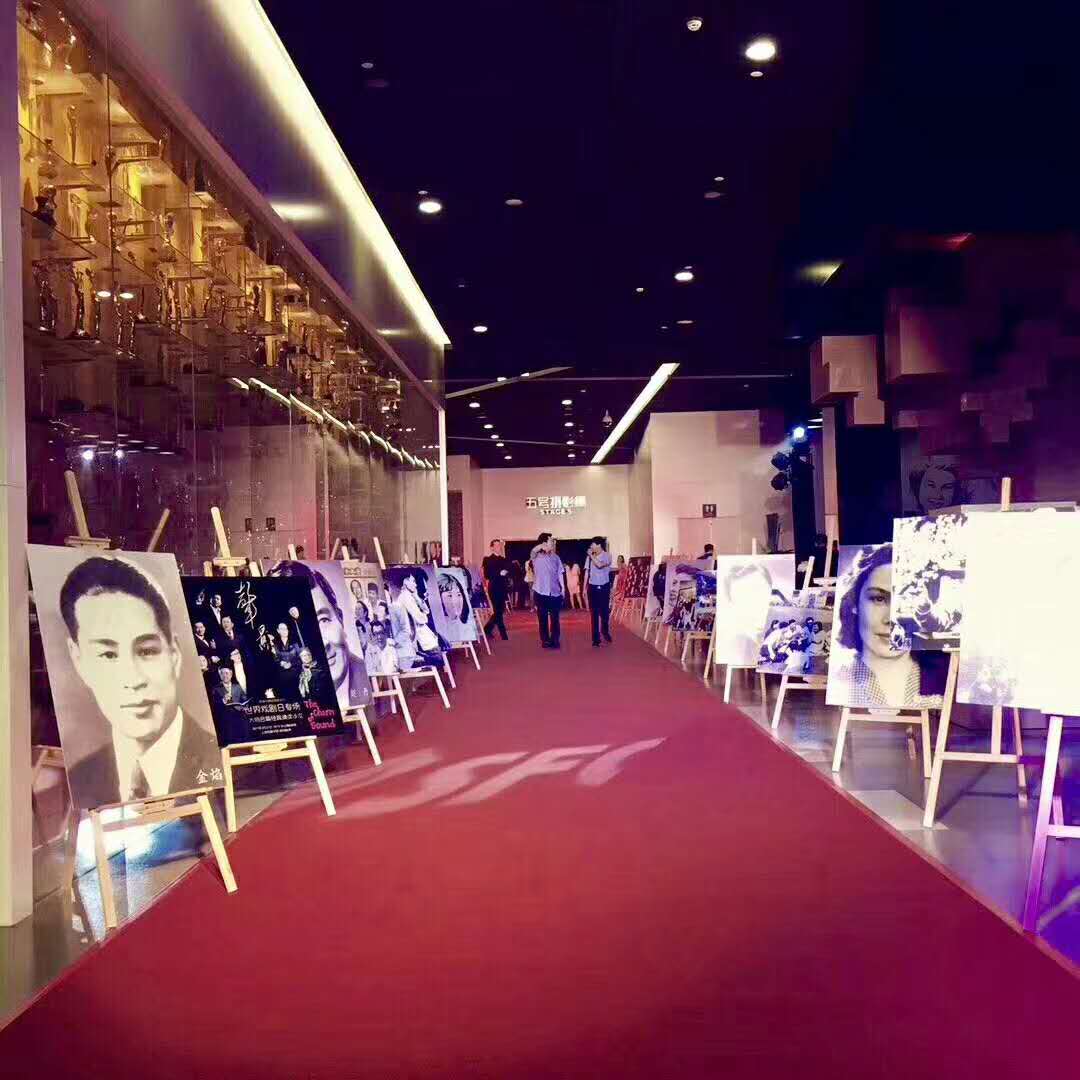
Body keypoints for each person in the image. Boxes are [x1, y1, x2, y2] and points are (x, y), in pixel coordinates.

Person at [59, 556, 221, 808]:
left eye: (147, 651)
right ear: (79, 661)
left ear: (174, 654)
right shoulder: (81, 778)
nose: (133, 679)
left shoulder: (217, 762)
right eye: (108, 655)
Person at [831, 544, 947, 708]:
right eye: (878, 599)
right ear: (854, 604)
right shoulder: (839, 682)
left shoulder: (942, 687)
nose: (890, 619)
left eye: (905, 599)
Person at [270, 561, 369, 711]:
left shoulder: (365, 681)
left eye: (323, 620)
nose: (323, 643)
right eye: (302, 628)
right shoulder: (282, 694)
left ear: (340, 618)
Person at [530, 533, 565, 649]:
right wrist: (541, 546)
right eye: (551, 541)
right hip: (540, 591)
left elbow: (560, 573)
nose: (553, 543)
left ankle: (555, 640)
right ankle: (545, 640)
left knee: (555, 618)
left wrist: (563, 588)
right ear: (544, 543)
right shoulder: (536, 557)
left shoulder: (556, 557)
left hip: (555, 592)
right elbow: (533, 551)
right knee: (543, 618)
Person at [585, 537, 614, 647]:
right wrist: (584, 588)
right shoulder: (589, 558)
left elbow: (600, 565)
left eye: (592, 545)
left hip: (603, 587)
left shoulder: (607, 556)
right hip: (592, 587)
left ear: (599, 545)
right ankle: (595, 639)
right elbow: (587, 572)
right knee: (594, 613)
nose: (591, 547)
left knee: (604, 613)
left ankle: (605, 631)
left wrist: (591, 556)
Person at [482, 539, 511, 641]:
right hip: (494, 588)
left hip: (503, 588)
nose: (499, 547)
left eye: (500, 546)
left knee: (500, 610)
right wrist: (499, 573)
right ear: (492, 547)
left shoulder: (504, 559)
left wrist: (506, 573)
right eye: (496, 545)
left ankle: (487, 629)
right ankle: (504, 635)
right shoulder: (487, 560)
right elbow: (487, 575)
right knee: (498, 611)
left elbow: (509, 571)